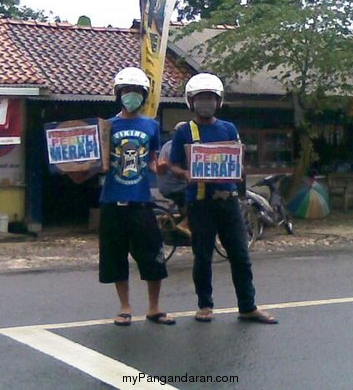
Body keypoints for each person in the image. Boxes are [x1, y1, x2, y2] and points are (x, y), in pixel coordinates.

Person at [169, 72, 277, 324]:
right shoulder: (185, 131)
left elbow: (238, 160)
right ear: (191, 102)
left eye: (210, 98)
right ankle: (205, 305)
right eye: (200, 98)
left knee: (240, 254)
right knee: (203, 256)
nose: (205, 102)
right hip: (199, 202)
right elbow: (174, 165)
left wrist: (240, 179)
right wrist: (186, 173)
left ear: (218, 102)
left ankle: (248, 306)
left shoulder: (228, 128)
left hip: (227, 201)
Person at [99, 66, 175, 327]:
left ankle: (154, 308)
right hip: (112, 201)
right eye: (127, 91)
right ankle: (125, 307)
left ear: (144, 96)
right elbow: (99, 161)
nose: (132, 96)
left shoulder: (151, 126)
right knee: (115, 255)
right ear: (118, 94)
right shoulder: (106, 126)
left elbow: (153, 161)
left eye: (137, 92)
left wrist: (161, 168)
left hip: (141, 202)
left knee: (152, 253)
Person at [157, 121, 190, 236]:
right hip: (174, 186)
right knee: (197, 199)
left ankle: (170, 217)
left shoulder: (167, 144)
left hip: (164, 184)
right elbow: (178, 172)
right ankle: (185, 224)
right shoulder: (180, 148)